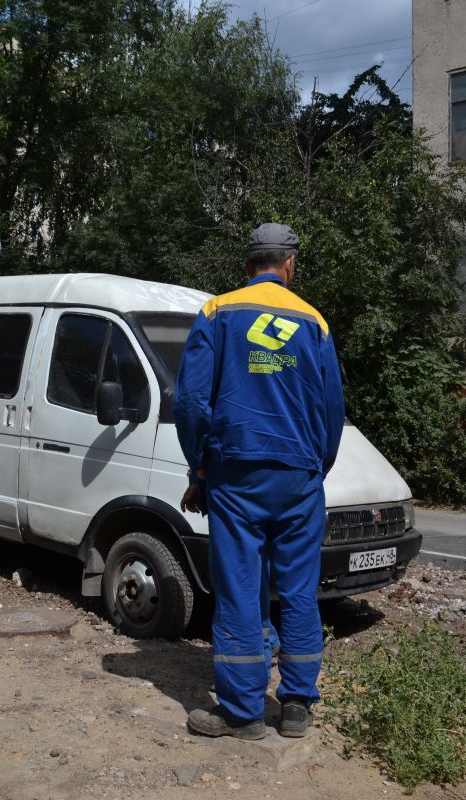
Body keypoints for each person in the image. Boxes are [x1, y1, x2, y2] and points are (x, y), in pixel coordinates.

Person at [174, 222, 345, 740]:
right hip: (298, 476)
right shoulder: (314, 322)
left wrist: (198, 466)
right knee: (297, 590)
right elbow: (331, 412)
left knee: (241, 589)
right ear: (289, 264)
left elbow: (190, 402)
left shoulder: (217, 311)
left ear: (247, 264)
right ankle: (296, 706)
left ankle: (244, 712)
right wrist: (316, 468)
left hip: (237, 475)